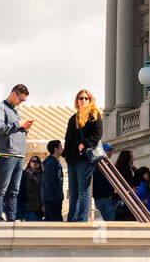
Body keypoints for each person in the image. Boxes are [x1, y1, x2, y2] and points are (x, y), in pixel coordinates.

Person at [0, 84, 34, 222]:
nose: (22, 102)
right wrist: (19, 125)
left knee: (14, 191)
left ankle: (11, 218)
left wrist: (24, 128)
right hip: (6, 154)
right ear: (14, 94)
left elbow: (14, 130)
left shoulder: (15, 111)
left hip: (19, 154)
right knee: (2, 189)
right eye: (21, 99)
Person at [63, 88, 103, 222]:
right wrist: (66, 154)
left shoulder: (94, 115)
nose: (84, 100)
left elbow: (97, 135)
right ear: (77, 101)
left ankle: (81, 220)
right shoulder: (73, 118)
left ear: (90, 100)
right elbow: (68, 139)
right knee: (73, 193)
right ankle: (71, 219)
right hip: (72, 160)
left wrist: (84, 144)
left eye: (86, 98)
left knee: (83, 192)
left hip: (85, 159)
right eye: (81, 98)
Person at [91, 144, 119, 221]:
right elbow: (100, 182)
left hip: (102, 198)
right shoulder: (101, 165)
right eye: (108, 150)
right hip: (105, 199)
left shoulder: (98, 164)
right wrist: (110, 195)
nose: (110, 152)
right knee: (110, 223)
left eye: (110, 150)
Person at [41, 140, 65, 222]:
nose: (62, 149)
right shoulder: (50, 163)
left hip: (55, 198)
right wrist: (57, 194)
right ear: (56, 149)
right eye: (61, 147)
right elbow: (49, 182)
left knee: (50, 221)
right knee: (56, 222)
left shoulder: (56, 162)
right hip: (52, 199)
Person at [17, 155, 44, 221]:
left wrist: (44, 204)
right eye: (33, 161)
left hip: (39, 209)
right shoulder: (25, 175)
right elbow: (21, 192)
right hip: (28, 208)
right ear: (30, 163)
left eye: (37, 162)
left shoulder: (42, 176)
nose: (35, 163)